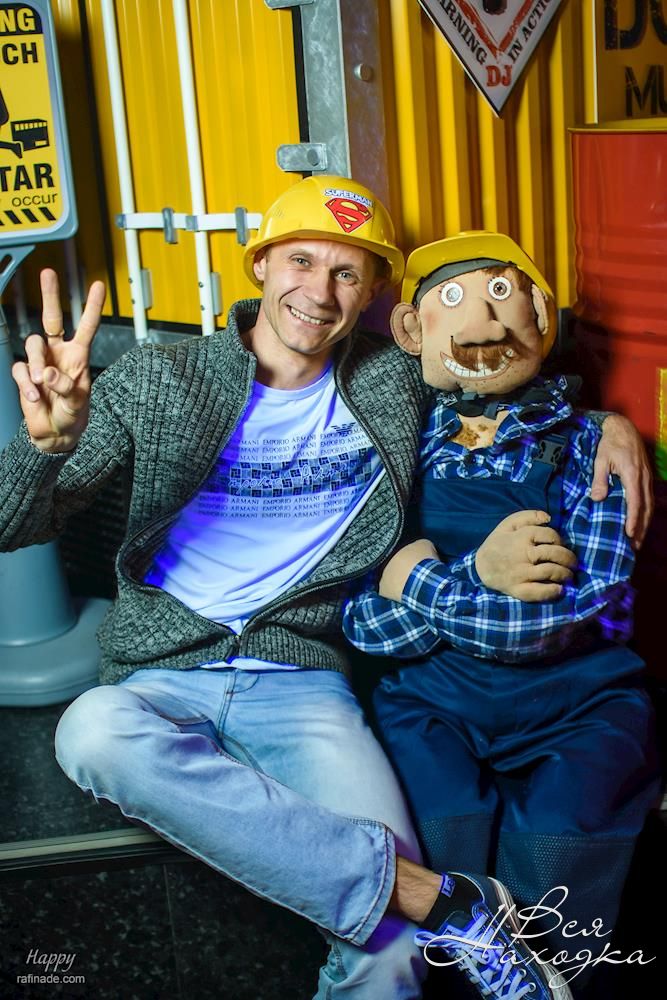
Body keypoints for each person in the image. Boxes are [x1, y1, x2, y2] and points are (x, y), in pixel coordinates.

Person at [0, 178, 651, 1000]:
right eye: (301, 261)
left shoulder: (391, 380)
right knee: (90, 731)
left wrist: (609, 425)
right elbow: (11, 525)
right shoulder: (160, 378)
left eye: (347, 273)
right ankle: (440, 899)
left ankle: (419, 908)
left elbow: (499, 370)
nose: (319, 290)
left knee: (392, 953)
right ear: (261, 265)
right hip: (163, 669)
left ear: (374, 293)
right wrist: (46, 447)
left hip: (304, 683)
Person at [343, 232, 660, 994]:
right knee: (435, 834)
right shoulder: (394, 444)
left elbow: (545, 620)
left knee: (559, 847)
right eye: (453, 302)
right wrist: (476, 577)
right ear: (413, 331)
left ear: (541, 318)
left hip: (576, 702)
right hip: (432, 704)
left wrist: (419, 582)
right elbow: (354, 617)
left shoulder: (588, 447)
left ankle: (556, 983)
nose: (481, 323)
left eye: (499, 296)